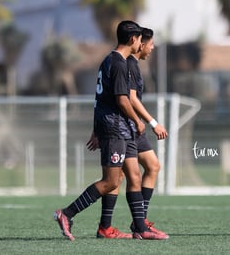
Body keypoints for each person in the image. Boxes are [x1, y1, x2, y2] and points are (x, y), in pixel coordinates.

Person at [54, 20, 165, 241]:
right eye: (141, 40)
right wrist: (140, 121)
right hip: (116, 127)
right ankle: (67, 213)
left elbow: (99, 99)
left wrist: (96, 130)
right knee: (112, 181)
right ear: (134, 40)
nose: (144, 45)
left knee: (133, 175)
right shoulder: (119, 63)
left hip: (116, 127)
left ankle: (140, 227)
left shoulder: (110, 60)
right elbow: (123, 101)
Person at [87, 27, 169, 239]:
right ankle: (131, 224)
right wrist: (151, 122)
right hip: (125, 126)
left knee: (146, 168)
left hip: (126, 125)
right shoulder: (126, 63)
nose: (151, 48)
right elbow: (129, 98)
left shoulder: (126, 62)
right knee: (119, 177)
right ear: (139, 42)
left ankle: (137, 222)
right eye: (150, 43)